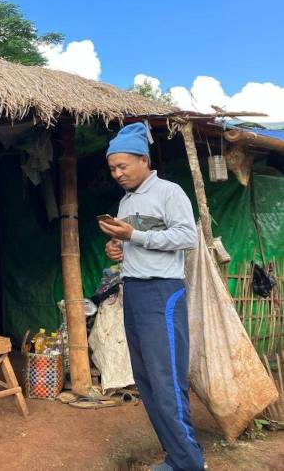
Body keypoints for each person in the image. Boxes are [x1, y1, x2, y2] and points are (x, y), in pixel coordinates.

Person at [98, 123, 205, 471]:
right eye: (112, 168)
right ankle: (176, 458)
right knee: (146, 381)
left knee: (166, 381)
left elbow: (187, 237)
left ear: (143, 160)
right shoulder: (126, 201)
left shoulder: (169, 192)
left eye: (122, 166)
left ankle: (189, 462)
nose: (117, 174)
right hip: (134, 291)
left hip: (163, 293)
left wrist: (135, 235)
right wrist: (117, 246)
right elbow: (131, 241)